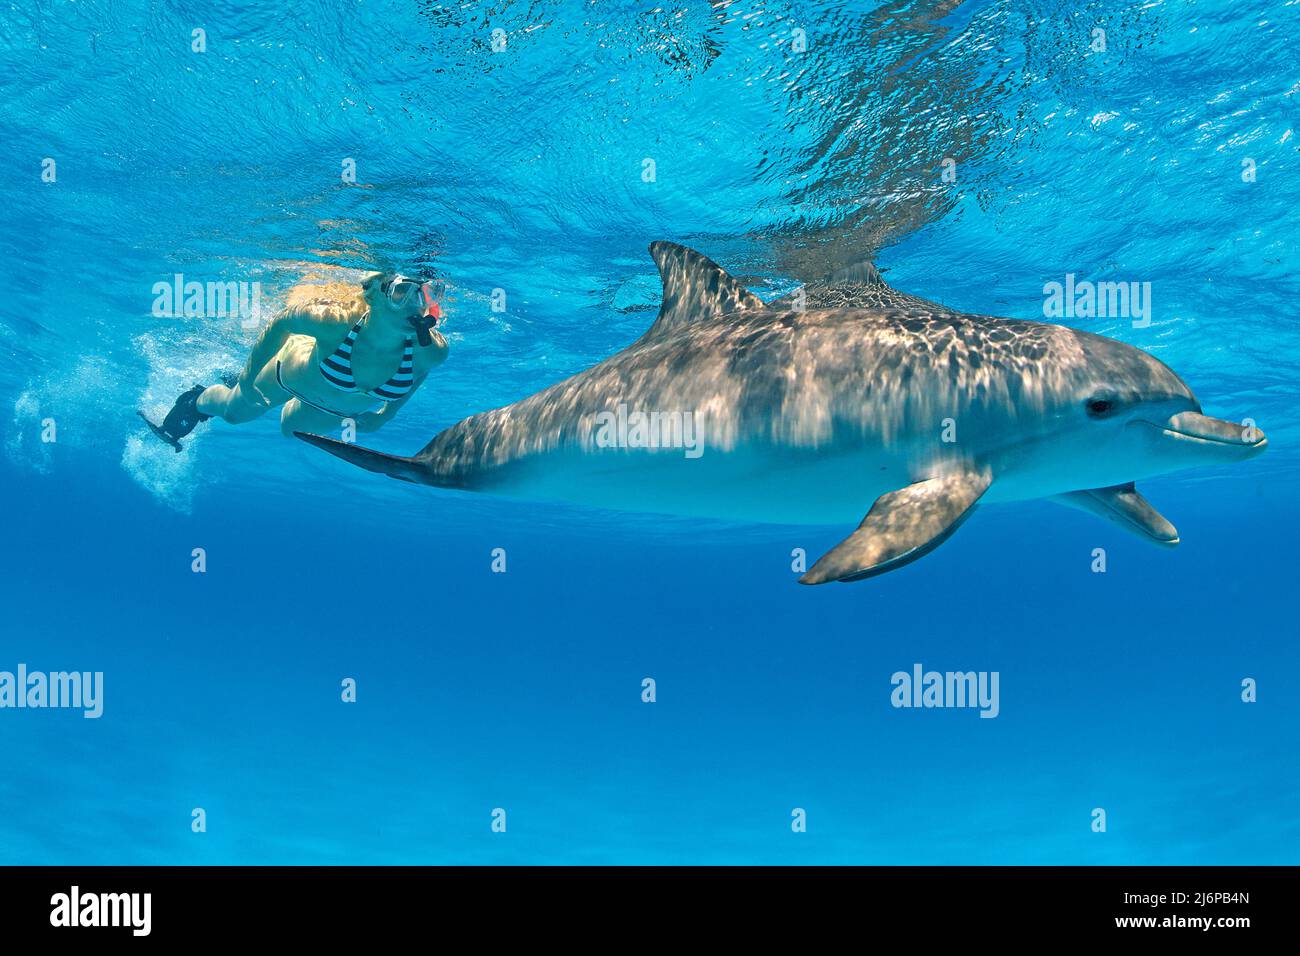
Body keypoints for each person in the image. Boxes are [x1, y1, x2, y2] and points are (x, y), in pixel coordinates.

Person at [141, 273, 449, 450]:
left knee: (290, 430)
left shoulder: (430, 350)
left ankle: (251, 389)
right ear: (376, 297)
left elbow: (419, 373)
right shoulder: (338, 322)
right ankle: (195, 402)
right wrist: (248, 381)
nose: (415, 305)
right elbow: (282, 322)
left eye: (426, 295)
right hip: (287, 375)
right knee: (237, 413)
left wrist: (386, 414)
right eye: (401, 293)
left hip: (334, 407)